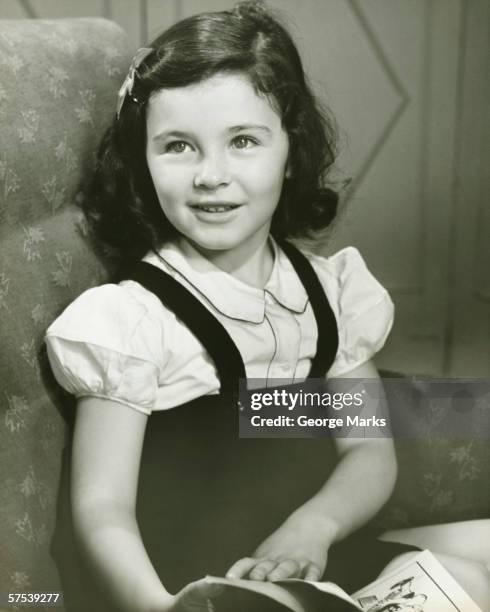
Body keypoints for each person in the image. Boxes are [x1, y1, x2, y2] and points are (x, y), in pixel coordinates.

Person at [45, 2, 490, 611]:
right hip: (198, 585)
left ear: (291, 148)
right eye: (178, 146)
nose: (211, 175)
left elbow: (367, 450)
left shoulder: (330, 295)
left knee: (479, 559)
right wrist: (158, 606)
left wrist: (316, 525)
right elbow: (102, 510)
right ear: (142, 161)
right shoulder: (132, 321)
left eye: (244, 141)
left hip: (312, 555)